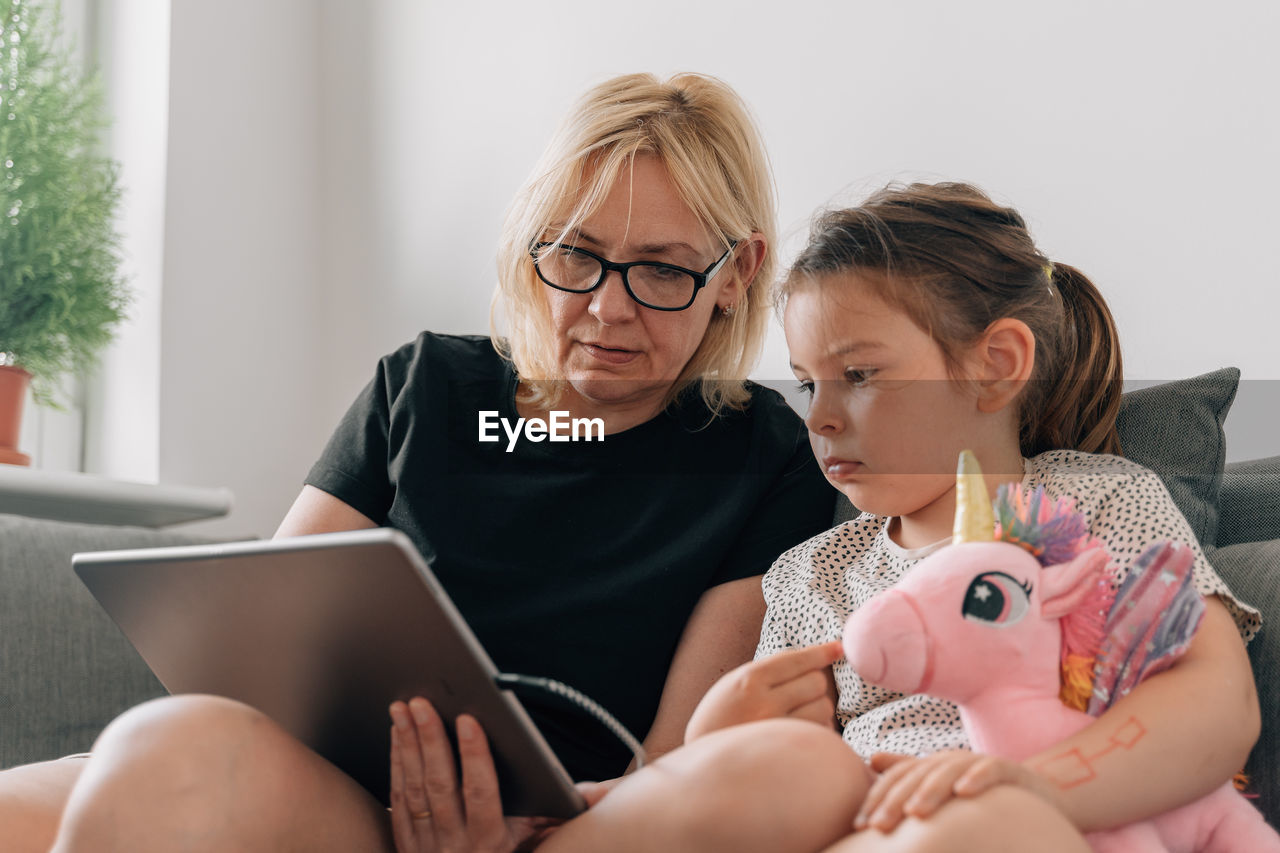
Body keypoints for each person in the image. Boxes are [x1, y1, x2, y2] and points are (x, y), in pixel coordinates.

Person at [0, 72, 834, 852]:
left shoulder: (766, 457)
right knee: (133, 753)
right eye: (576, 255)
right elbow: (260, 631)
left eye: (659, 268)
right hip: (333, 781)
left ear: (737, 272)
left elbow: (672, 759)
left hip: (558, 826)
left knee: (165, 761)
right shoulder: (429, 384)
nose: (606, 308)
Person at [507, 181, 1263, 852]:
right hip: (848, 818)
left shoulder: (1098, 504)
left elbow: (1217, 705)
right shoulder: (810, 573)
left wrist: (1030, 783)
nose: (822, 418)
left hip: (1022, 819)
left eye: (859, 375)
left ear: (995, 365)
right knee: (795, 765)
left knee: (989, 823)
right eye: (808, 386)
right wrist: (715, 736)